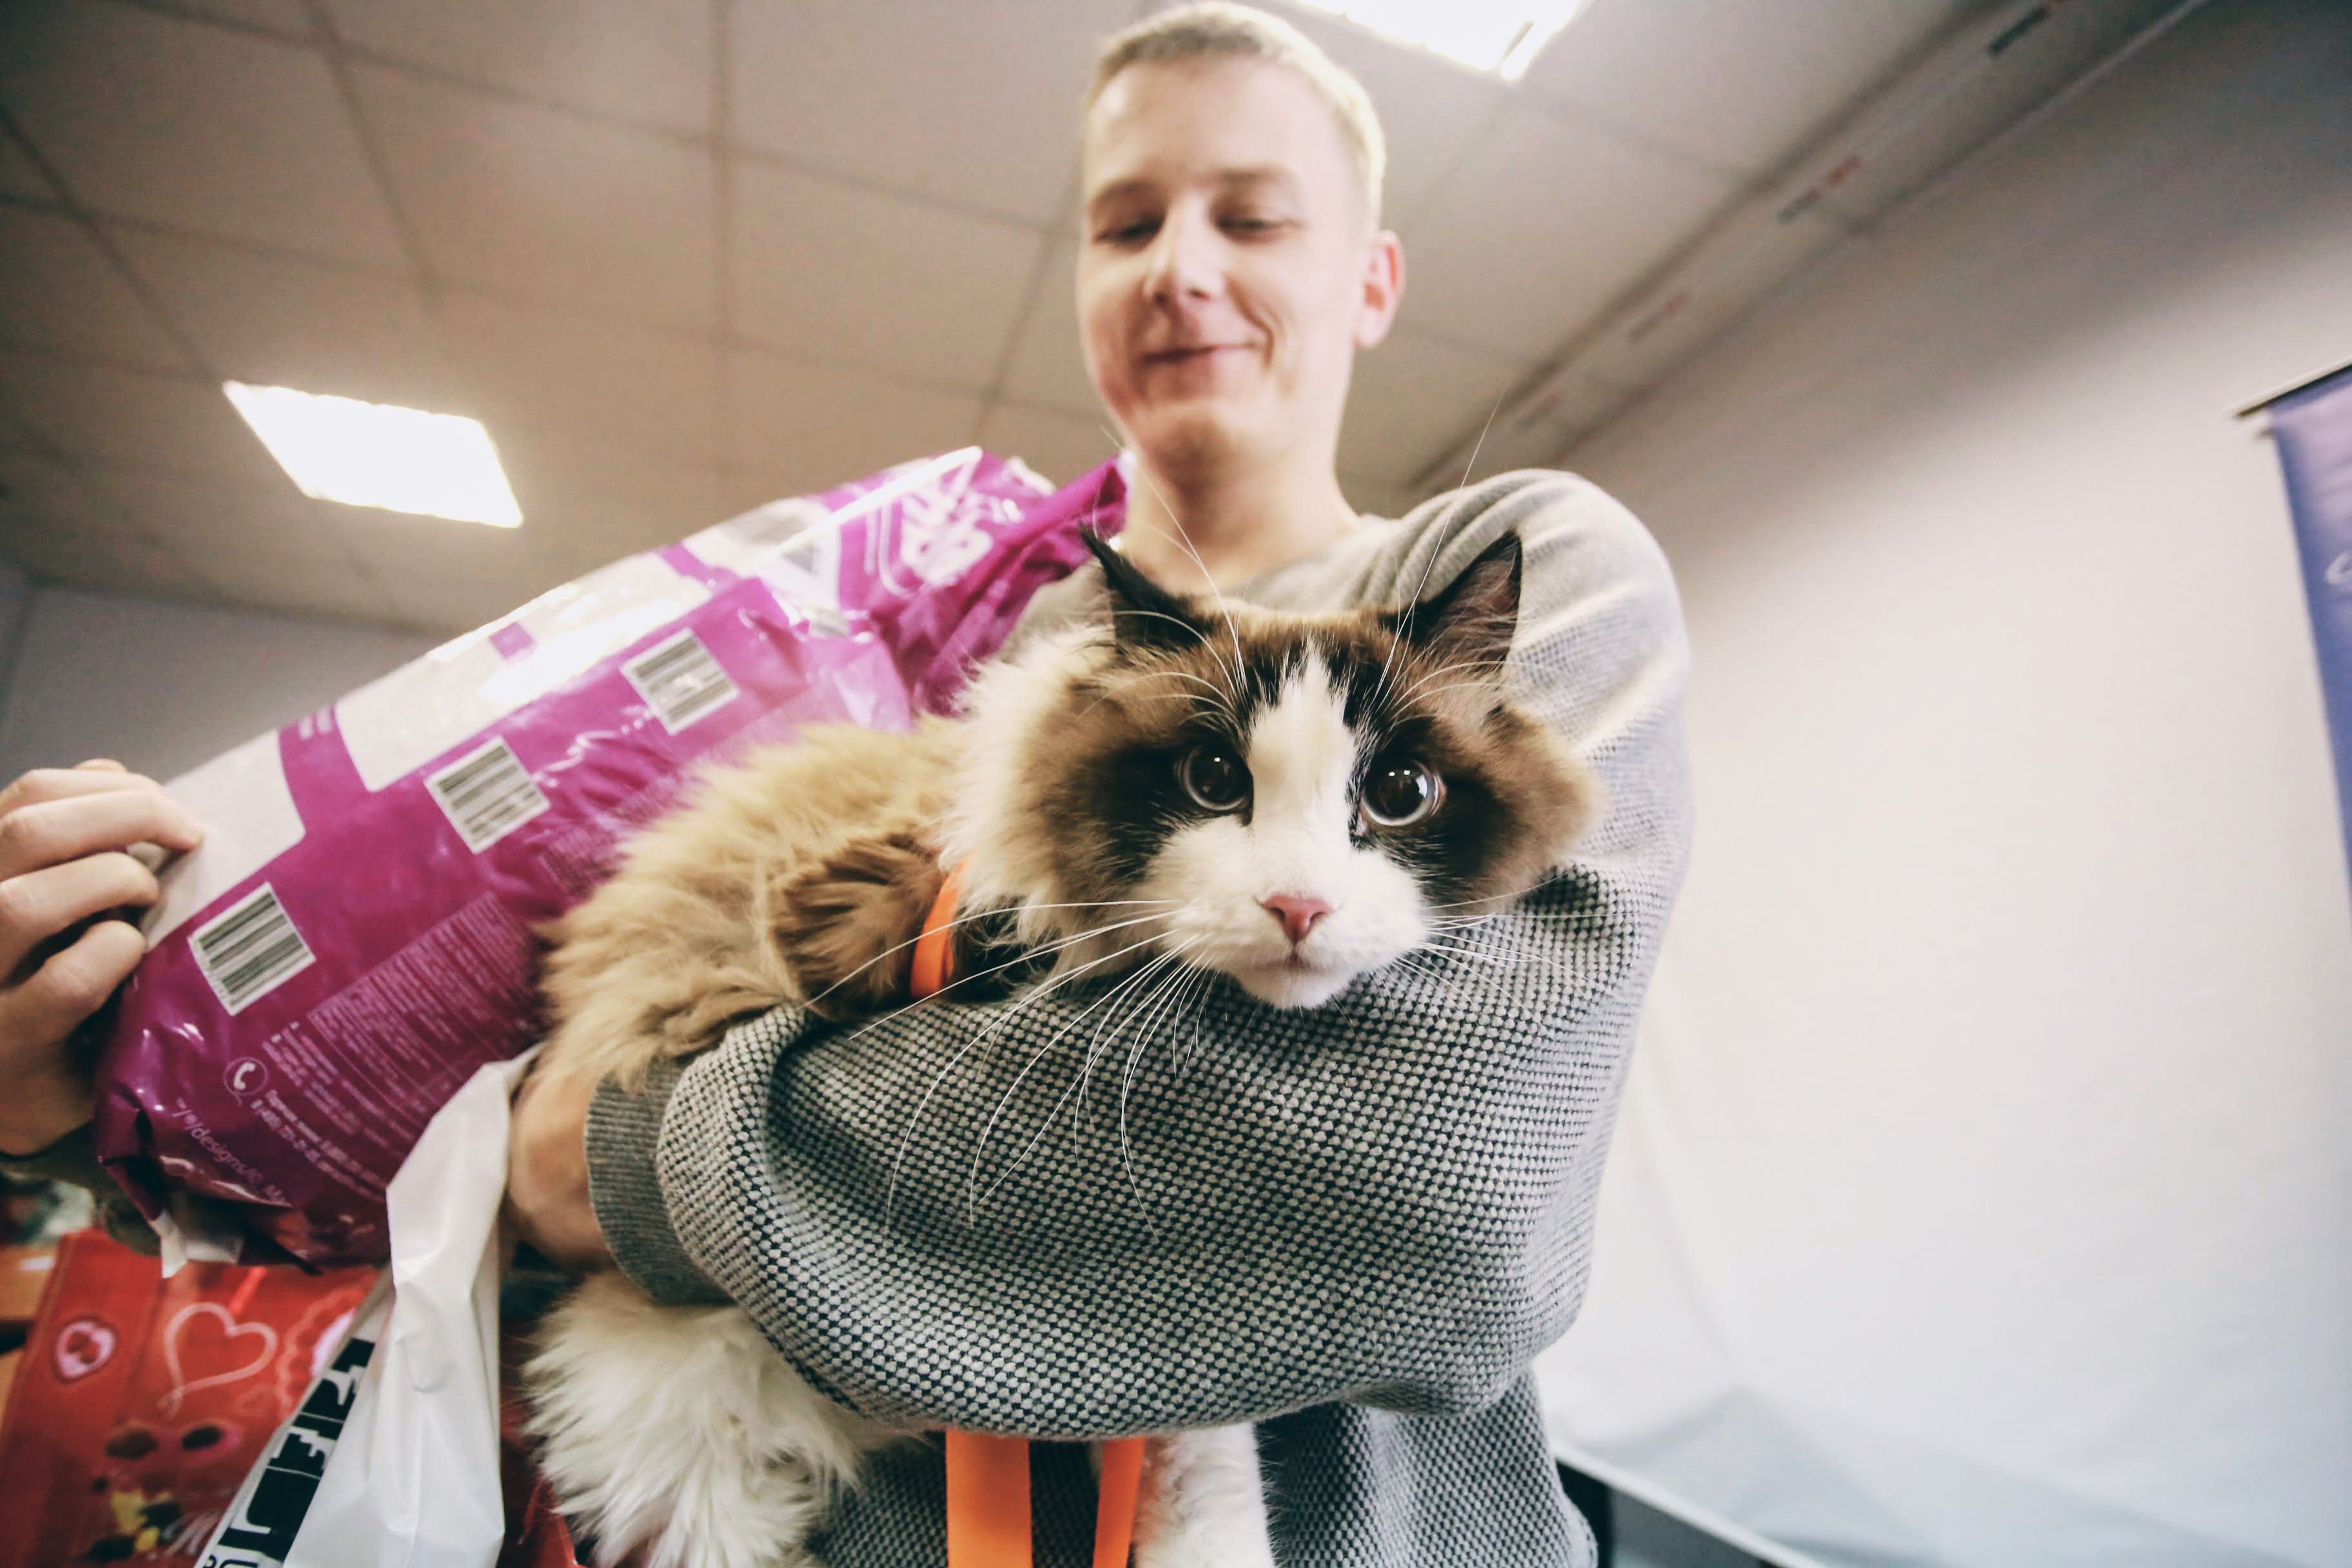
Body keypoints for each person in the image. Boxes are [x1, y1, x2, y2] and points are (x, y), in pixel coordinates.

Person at [0, 6, 1690, 1563]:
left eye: (1252, 218)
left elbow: (1430, 1196)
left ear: (1374, 278)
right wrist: (104, 1058)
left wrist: (628, 1166)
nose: (1182, 270)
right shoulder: (921, 652)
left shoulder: (1515, 566)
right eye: (1125, 224)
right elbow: (492, 1104)